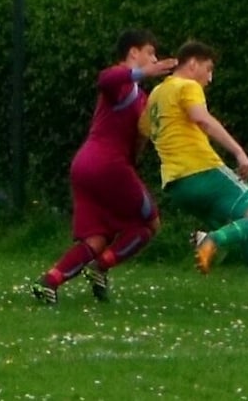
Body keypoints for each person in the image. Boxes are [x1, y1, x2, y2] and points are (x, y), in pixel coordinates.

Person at [32, 30, 178, 305]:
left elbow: (144, 132)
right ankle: (101, 267)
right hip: (108, 166)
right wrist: (147, 72)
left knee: (96, 238)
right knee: (150, 223)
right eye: (150, 53)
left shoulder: (139, 95)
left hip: (85, 166)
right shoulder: (121, 80)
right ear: (134, 52)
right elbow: (105, 79)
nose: (154, 59)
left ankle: (49, 281)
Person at [140, 40, 248, 311]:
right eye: (208, 69)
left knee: (244, 229)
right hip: (203, 171)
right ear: (192, 64)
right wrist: (239, 153)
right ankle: (212, 239)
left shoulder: (156, 95)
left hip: (177, 187)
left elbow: (146, 131)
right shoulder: (187, 86)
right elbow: (202, 119)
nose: (210, 78)